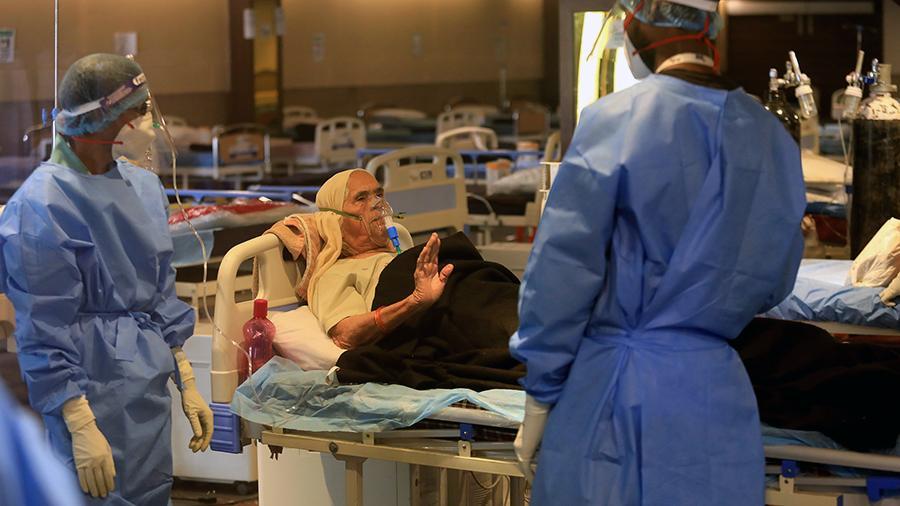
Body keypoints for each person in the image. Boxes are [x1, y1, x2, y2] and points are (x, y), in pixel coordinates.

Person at [509, 0, 806, 504]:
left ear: (638, 25)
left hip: (617, 393)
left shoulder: (618, 120)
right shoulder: (770, 135)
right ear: (709, 27)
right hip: (716, 399)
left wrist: (540, 392)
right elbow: (775, 279)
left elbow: (562, 272)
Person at [0, 53, 214, 504]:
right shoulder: (41, 206)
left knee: (150, 491)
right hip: (87, 386)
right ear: (100, 119)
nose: (147, 121)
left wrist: (187, 379)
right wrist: (79, 423)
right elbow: (43, 328)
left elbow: (159, 294)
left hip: (147, 384)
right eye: (137, 111)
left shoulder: (144, 188)